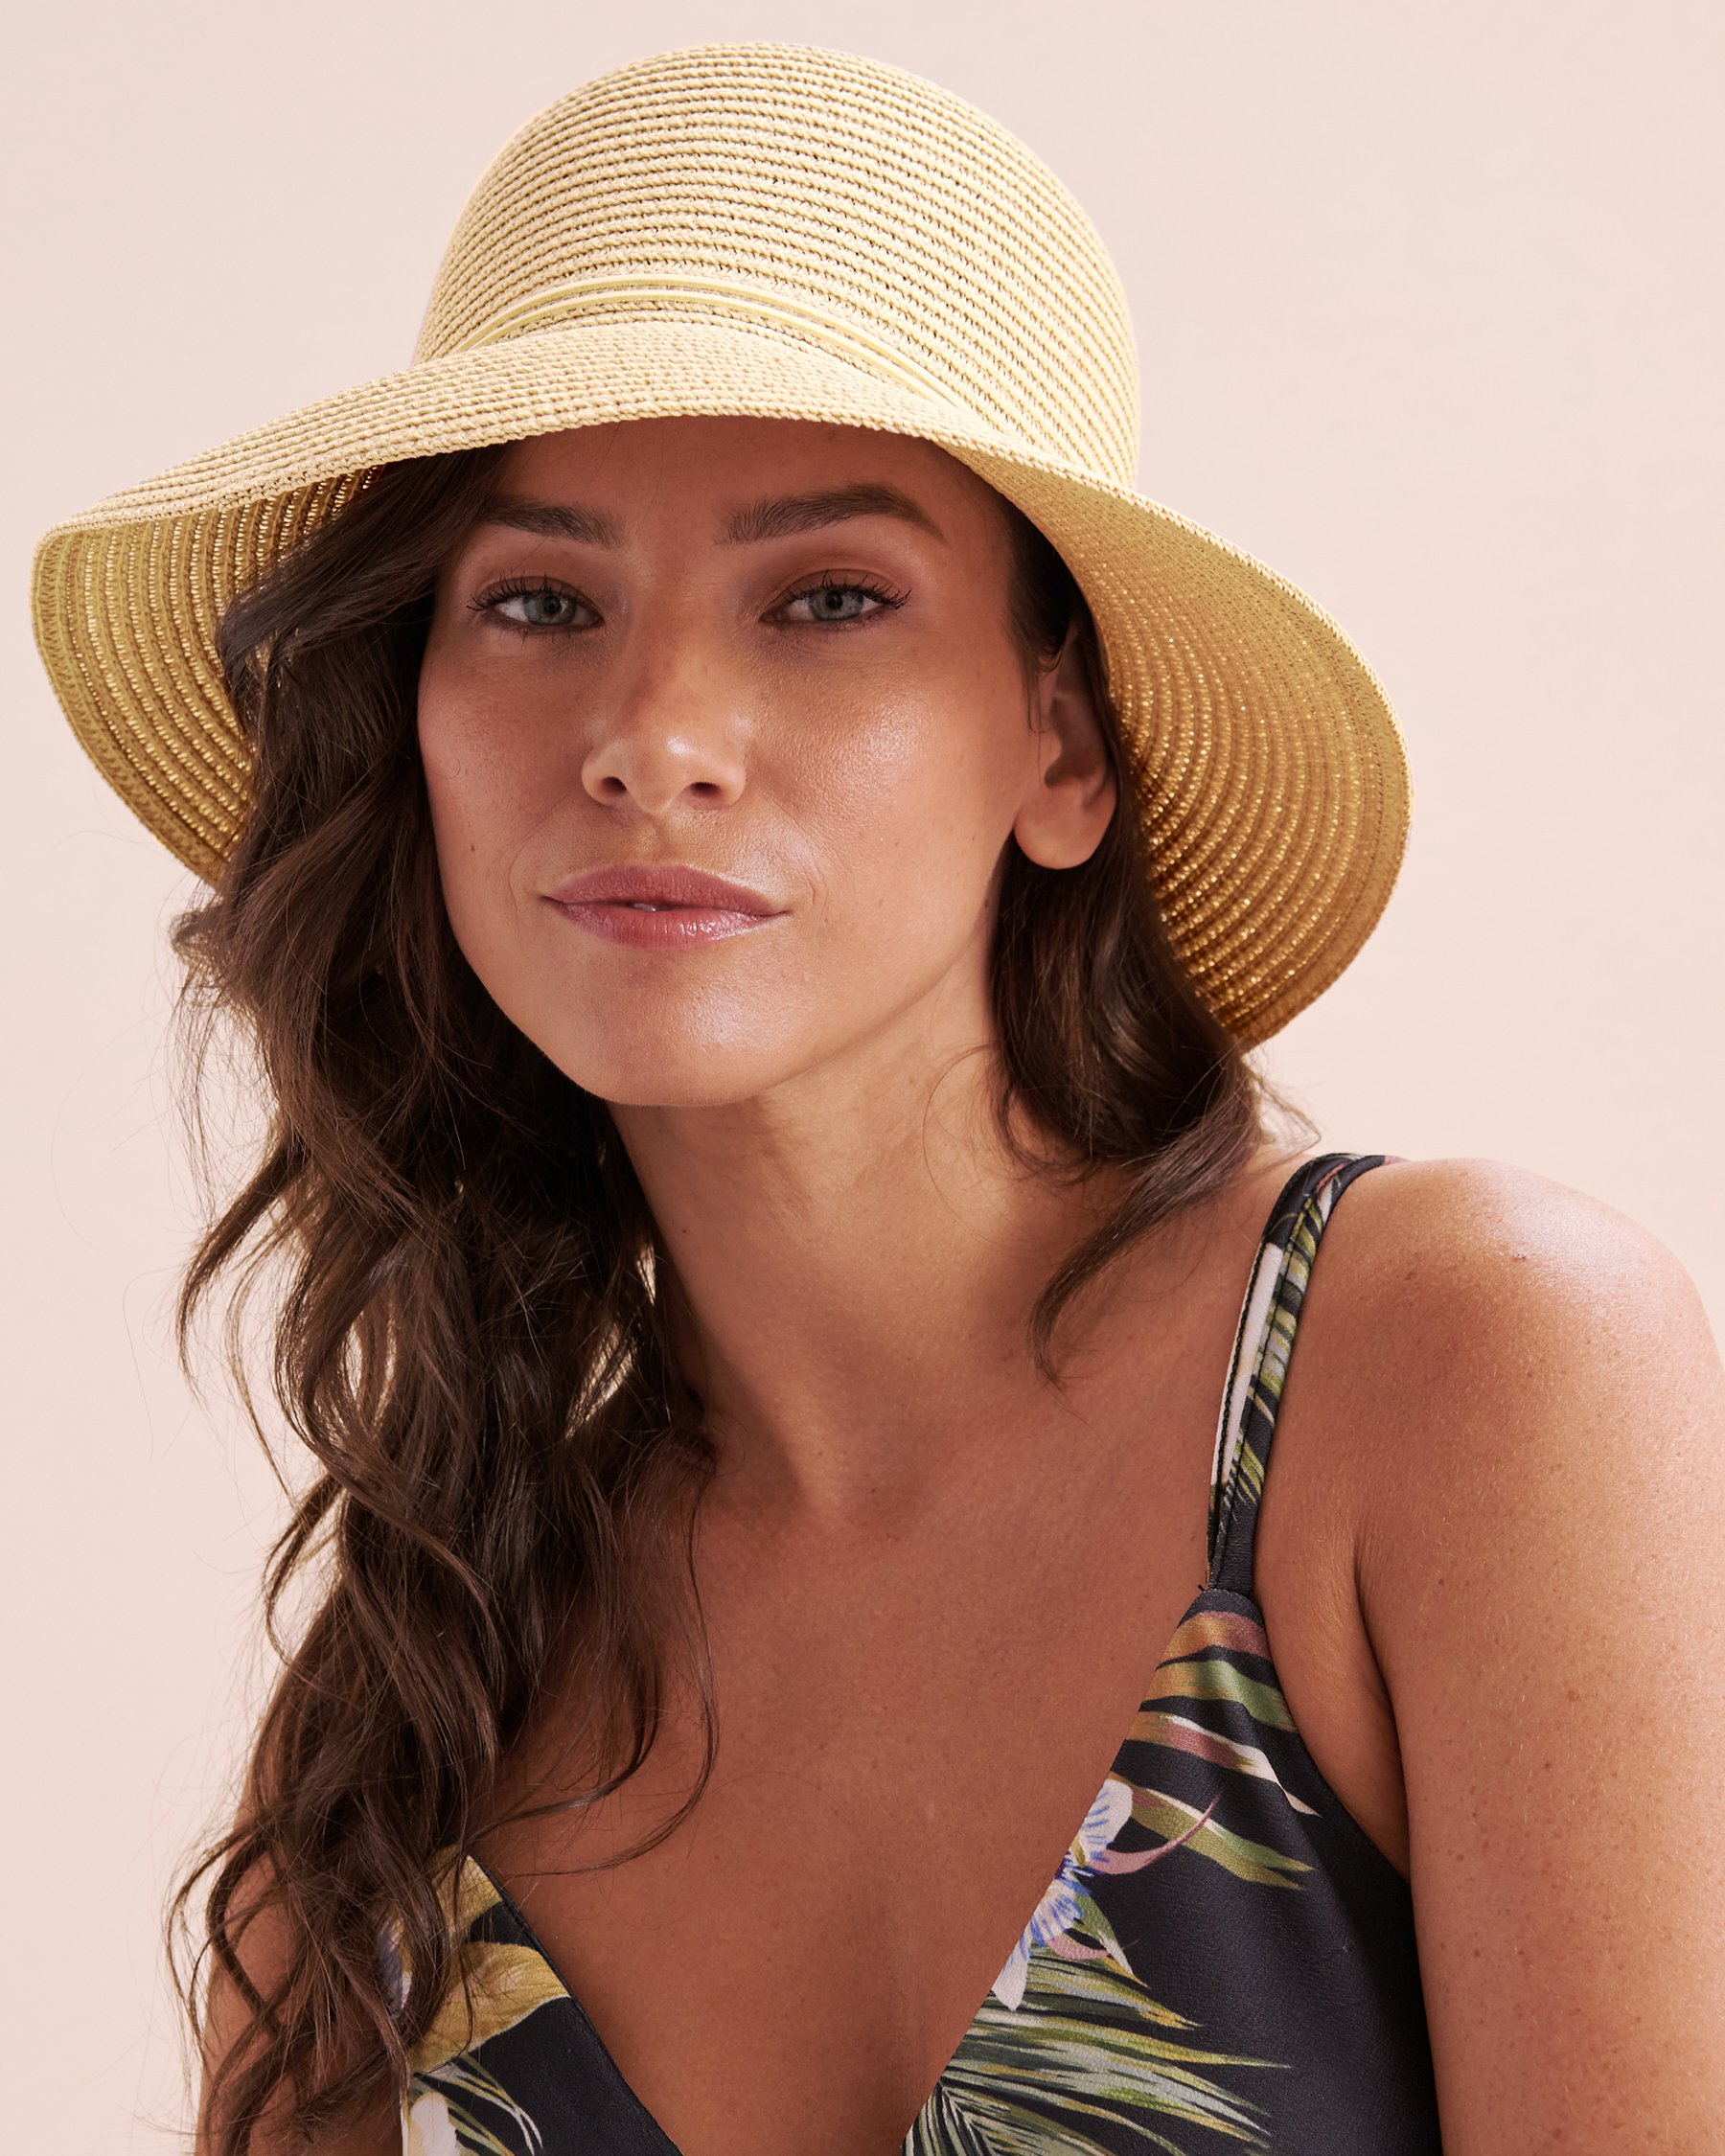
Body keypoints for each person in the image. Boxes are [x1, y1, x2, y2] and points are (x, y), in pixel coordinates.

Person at [30, 40, 1723, 2156]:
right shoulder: (395, 1754)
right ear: (418, 726)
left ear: (1064, 749)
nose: (652, 735)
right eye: (540, 602)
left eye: (828, 598)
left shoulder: (1457, 1368)